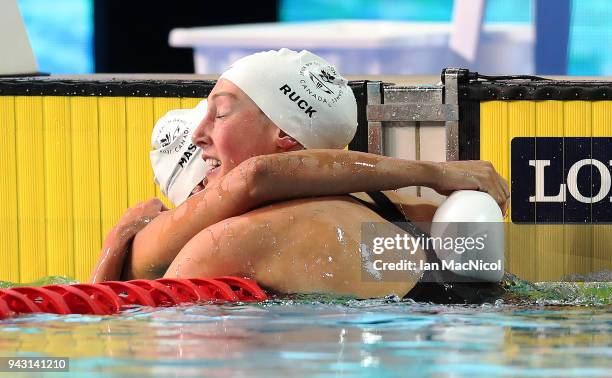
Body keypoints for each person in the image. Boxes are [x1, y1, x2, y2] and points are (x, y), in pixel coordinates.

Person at [91, 49, 509, 302]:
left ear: (287, 137)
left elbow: (144, 335)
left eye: (219, 112)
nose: (201, 135)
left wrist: (114, 247)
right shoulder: (398, 209)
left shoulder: (233, 240)